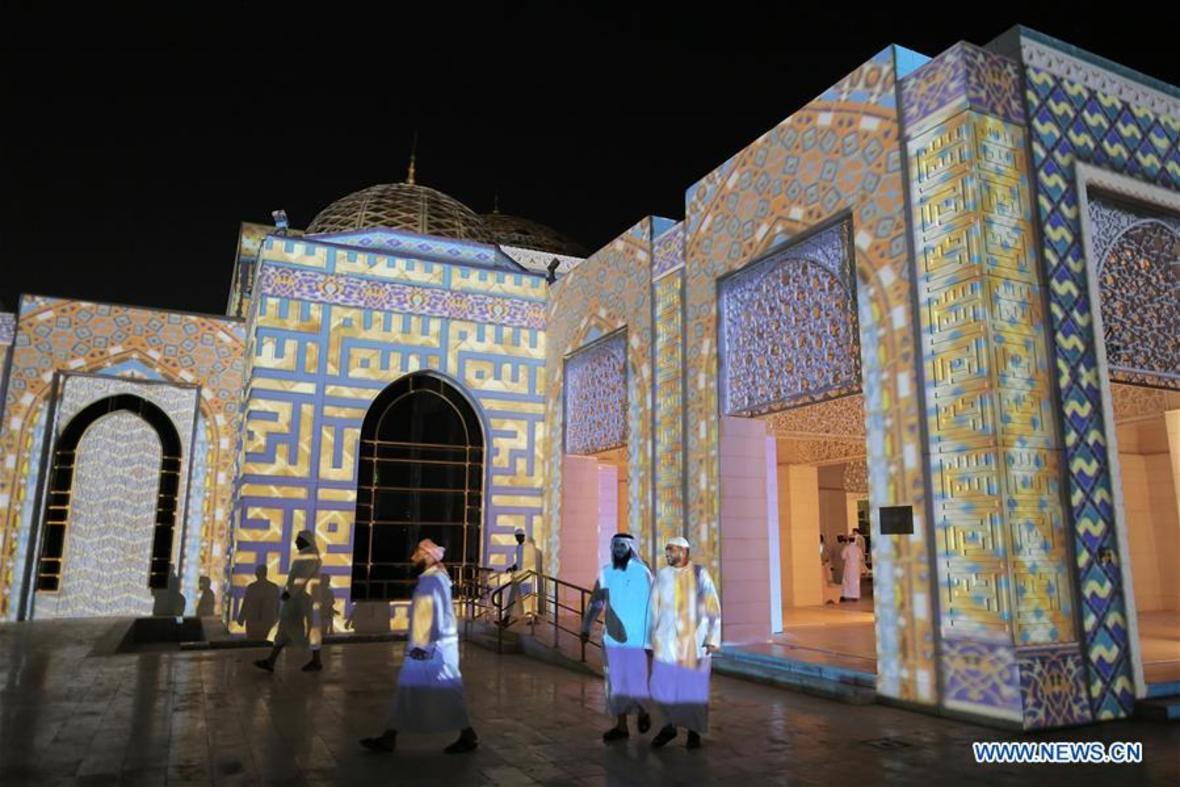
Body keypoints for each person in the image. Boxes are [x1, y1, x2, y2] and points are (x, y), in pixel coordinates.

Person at [360, 539, 479, 755]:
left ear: (427, 555)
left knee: (440, 690)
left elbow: (428, 613)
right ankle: (390, 736)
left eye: (418, 552)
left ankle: (466, 734)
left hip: (430, 648)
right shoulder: (436, 578)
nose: (413, 556)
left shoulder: (432, 581)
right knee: (414, 691)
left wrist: (422, 647)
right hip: (433, 645)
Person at [648, 536, 721, 750]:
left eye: (671, 549)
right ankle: (669, 726)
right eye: (666, 550)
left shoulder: (700, 574)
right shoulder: (662, 575)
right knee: (661, 686)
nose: (667, 553)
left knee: (693, 689)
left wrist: (712, 638)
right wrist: (649, 641)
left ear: (683, 551)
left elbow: (712, 606)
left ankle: (693, 731)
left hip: (694, 642)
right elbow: (652, 610)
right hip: (666, 640)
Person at [580, 533, 654, 742]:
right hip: (613, 637)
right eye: (616, 546)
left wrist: (650, 640)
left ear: (630, 548)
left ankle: (643, 712)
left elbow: (653, 607)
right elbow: (596, 602)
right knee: (615, 681)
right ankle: (621, 726)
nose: (619, 550)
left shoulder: (642, 573)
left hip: (636, 638)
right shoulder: (607, 573)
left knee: (636, 679)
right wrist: (586, 627)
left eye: (622, 546)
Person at [253, 530, 323, 673]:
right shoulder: (306, 555)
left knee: (302, 630)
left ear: (305, 541)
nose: (296, 542)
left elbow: (301, 577)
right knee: (284, 629)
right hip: (296, 599)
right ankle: (271, 661)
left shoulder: (309, 556)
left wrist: (289, 593)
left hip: (300, 599)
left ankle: (315, 660)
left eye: (299, 540)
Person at [504, 527, 542, 625]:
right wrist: (512, 567)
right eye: (517, 537)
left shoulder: (529, 548)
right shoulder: (518, 547)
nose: (518, 538)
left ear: (523, 537)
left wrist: (517, 568)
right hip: (518, 577)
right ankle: (506, 619)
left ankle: (534, 617)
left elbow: (528, 563)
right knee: (512, 598)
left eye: (520, 536)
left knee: (529, 598)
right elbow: (518, 562)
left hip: (526, 577)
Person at [237, 564, 280, 641]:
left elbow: (246, 604)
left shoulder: (252, 587)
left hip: (252, 622)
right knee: (262, 641)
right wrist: (276, 618)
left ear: (256, 574)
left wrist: (241, 618)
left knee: (251, 641)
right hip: (267, 621)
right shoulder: (273, 588)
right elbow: (278, 604)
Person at [841, 533, 865, 602]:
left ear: (849, 540)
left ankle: (845, 595)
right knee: (855, 582)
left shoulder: (847, 548)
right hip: (856, 569)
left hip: (848, 568)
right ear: (855, 540)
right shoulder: (858, 549)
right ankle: (855, 596)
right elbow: (861, 558)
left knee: (847, 581)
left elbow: (843, 556)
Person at [319, 573, 336, 638]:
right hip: (321, 611)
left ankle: (330, 629)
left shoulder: (329, 592)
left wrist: (328, 604)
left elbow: (332, 601)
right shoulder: (318, 591)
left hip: (328, 610)